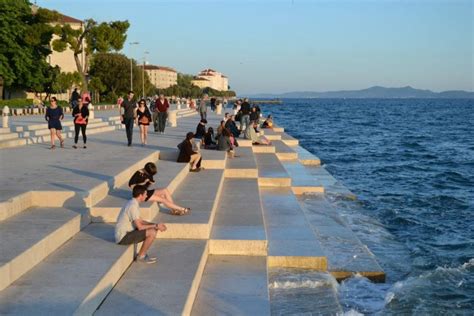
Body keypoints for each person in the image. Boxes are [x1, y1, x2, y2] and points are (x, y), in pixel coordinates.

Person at [115, 185, 167, 264]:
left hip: (128, 232)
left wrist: (156, 225)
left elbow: (140, 221)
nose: (146, 196)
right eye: (145, 194)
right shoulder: (132, 206)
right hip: (123, 237)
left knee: (153, 229)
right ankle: (141, 256)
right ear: (140, 195)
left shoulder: (133, 203)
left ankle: (142, 254)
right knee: (152, 232)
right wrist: (156, 226)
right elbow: (140, 227)